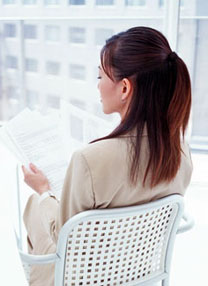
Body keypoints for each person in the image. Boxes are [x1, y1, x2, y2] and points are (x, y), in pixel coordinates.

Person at [22, 26, 193, 286]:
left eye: (101, 76)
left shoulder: (90, 159)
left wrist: (44, 190)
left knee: (36, 205)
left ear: (124, 88)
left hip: (82, 277)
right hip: (138, 272)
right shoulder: (180, 150)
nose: (98, 85)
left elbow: (63, 237)